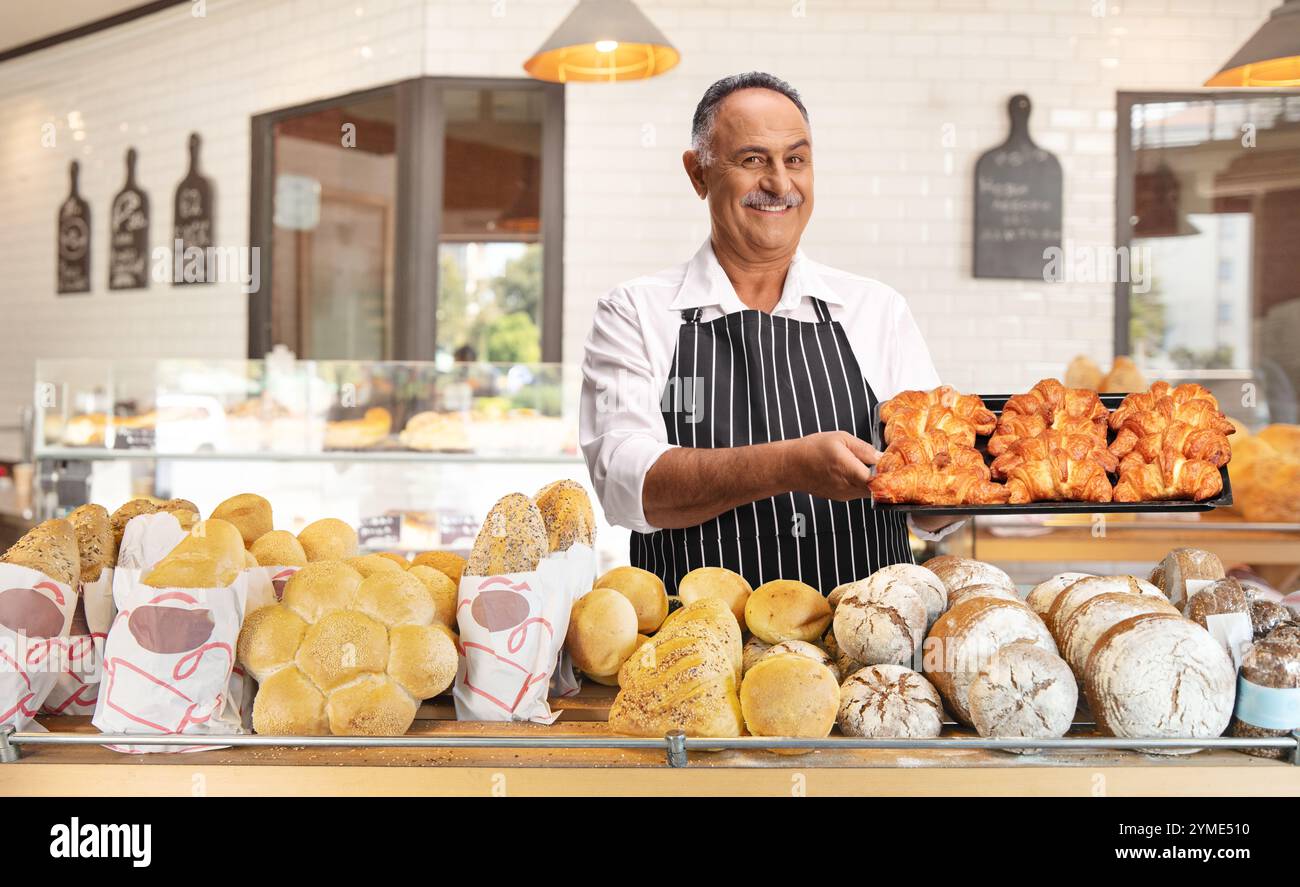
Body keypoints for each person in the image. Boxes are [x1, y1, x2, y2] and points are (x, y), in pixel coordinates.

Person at [579, 72, 959, 595]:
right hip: (693, 651)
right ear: (698, 174)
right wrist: (789, 466)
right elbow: (630, 487)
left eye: (795, 160)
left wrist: (959, 485)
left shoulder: (877, 309)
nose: (780, 184)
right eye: (753, 160)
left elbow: (929, 508)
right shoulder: (636, 311)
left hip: (868, 648)